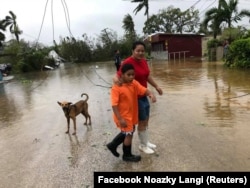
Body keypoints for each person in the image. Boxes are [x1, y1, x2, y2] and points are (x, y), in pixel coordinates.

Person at [113, 41, 163, 154]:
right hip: (134, 98)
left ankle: (146, 141)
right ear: (133, 51)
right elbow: (117, 76)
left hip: (144, 94)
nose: (140, 53)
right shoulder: (128, 62)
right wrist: (116, 81)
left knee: (146, 120)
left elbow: (147, 76)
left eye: (142, 51)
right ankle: (142, 145)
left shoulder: (144, 61)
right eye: (138, 51)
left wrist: (156, 86)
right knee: (141, 121)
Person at [107, 63, 156, 162]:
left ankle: (112, 145)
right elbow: (114, 105)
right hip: (123, 116)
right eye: (128, 75)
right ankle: (127, 155)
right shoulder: (116, 87)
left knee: (128, 132)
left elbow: (143, 89)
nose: (131, 77)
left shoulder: (134, 83)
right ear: (122, 75)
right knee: (129, 134)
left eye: (133, 74)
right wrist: (120, 119)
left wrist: (150, 93)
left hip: (131, 115)